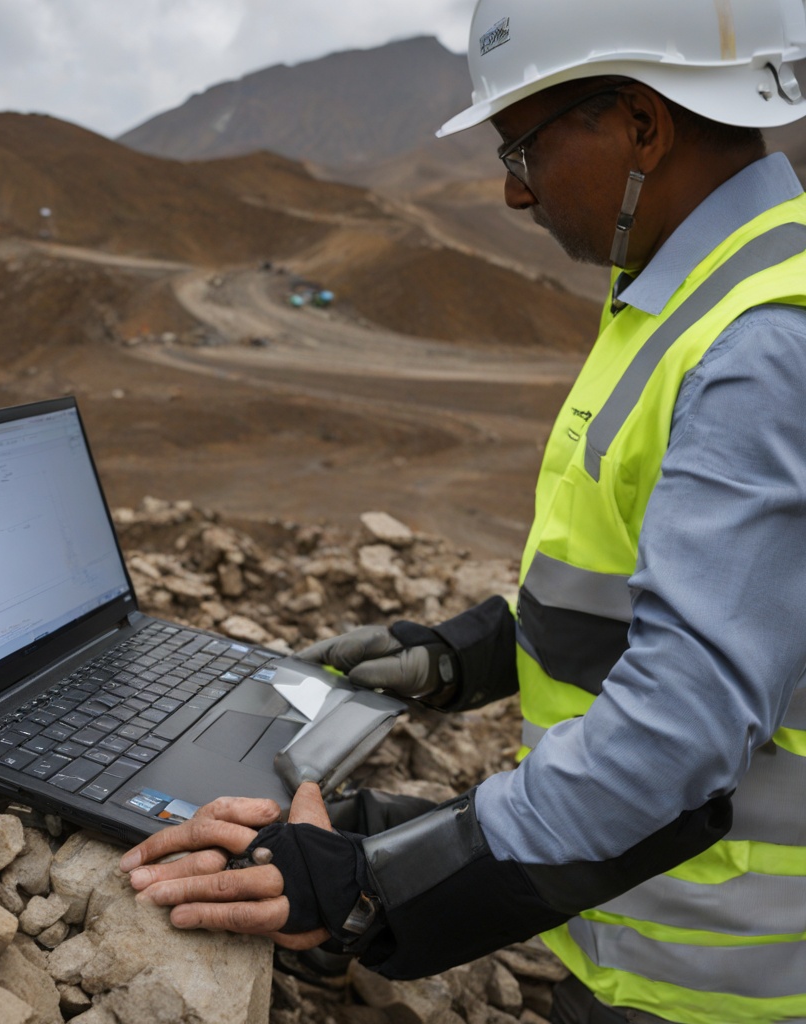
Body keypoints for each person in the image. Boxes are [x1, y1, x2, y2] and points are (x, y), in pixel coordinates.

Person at [118, 2, 806, 1021]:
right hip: (636, 924)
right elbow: (676, 594)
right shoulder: (693, 294)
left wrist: (367, 892)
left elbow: (681, 728)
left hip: (714, 988)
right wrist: (463, 655)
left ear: (641, 125)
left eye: (523, 144)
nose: (511, 190)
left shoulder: (755, 345)